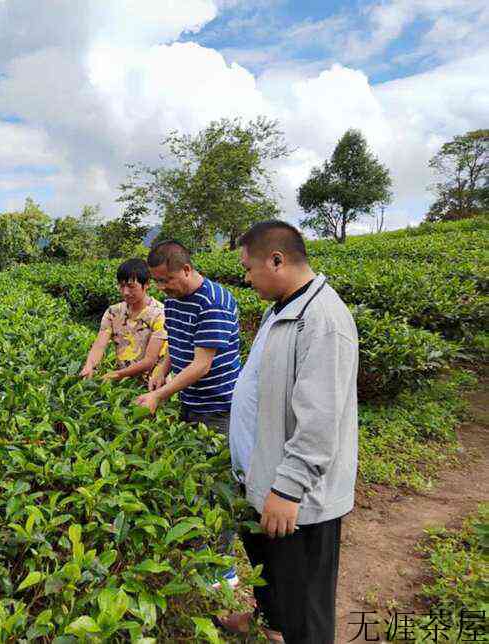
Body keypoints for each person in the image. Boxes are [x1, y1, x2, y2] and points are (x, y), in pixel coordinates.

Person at [221, 220, 358, 644]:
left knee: (306, 605)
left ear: (276, 260)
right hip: (260, 476)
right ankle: (270, 624)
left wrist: (289, 488)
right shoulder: (278, 308)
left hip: (295, 497)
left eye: (248, 268)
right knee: (272, 577)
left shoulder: (322, 321)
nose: (245, 278)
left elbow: (319, 419)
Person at [136, 240, 242, 588]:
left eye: (167, 280)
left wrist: (159, 396)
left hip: (218, 408)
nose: (163, 289)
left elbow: (201, 365)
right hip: (190, 403)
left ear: (186, 269)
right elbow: (177, 345)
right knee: (194, 480)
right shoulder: (174, 299)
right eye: (158, 282)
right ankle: (198, 550)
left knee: (219, 488)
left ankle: (223, 571)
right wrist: (161, 370)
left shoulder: (215, 302)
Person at [79, 258, 167, 382]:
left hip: (153, 385)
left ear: (146, 284)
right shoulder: (113, 312)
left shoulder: (160, 314)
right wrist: (89, 366)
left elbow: (149, 361)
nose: (125, 292)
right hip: (123, 383)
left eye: (131, 286)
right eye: (121, 286)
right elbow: (99, 345)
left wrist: (117, 375)